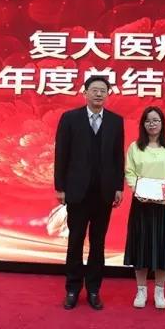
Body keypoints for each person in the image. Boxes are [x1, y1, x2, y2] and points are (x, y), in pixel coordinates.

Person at [54, 75, 125, 310]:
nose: (99, 94)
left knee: (98, 242)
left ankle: (94, 290)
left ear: (108, 94)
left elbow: (118, 157)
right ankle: (72, 289)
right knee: (75, 241)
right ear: (85, 93)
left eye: (103, 90)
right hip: (77, 191)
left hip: (104, 192)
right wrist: (60, 187)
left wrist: (118, 187)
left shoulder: (115, 121)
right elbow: (61, 154)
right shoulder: (70, 118)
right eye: (94, 90)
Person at [123, 106, 165, 309]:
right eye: (148, 121)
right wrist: (138, 190)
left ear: (162, 123)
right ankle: (141, 290)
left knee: (162, 248)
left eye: (156, 120)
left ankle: (159, 291)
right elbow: (129, 172)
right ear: (143, 124)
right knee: (141, 247)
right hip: (141, 204)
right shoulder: (135, 147)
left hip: (164, 205)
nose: (152, 124)